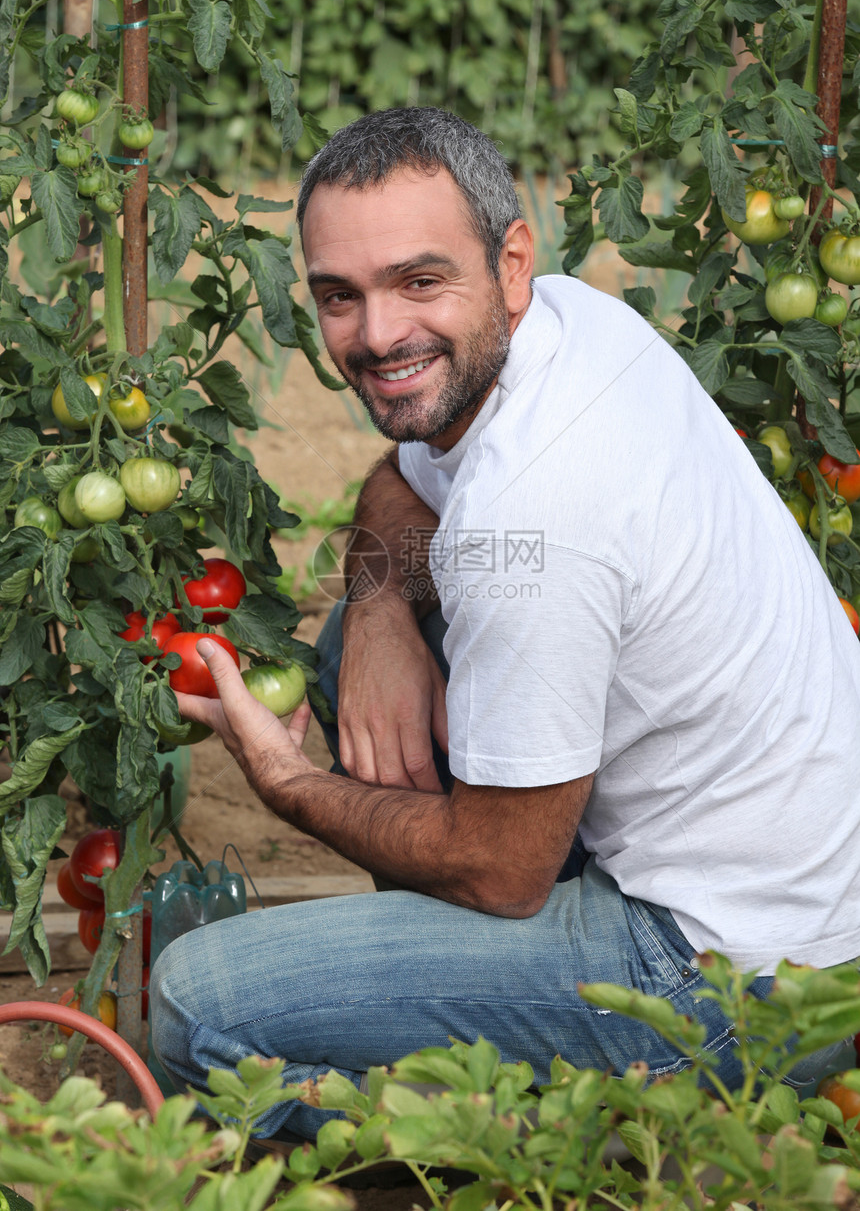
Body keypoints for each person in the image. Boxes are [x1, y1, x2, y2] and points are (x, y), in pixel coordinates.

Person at [150, 107, 860, 1139]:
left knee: (195, 1002)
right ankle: (470, 1014)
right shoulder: (568, 326)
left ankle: (553, 1141)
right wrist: (381, 605)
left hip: (733, 983)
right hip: (787, 884)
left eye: (417, 281)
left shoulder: (536, 513)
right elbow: (402, 479)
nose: (378, 334)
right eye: (339, 297)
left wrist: (288, 783)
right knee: (355, 649)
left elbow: (501, 870)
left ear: (509, 262)